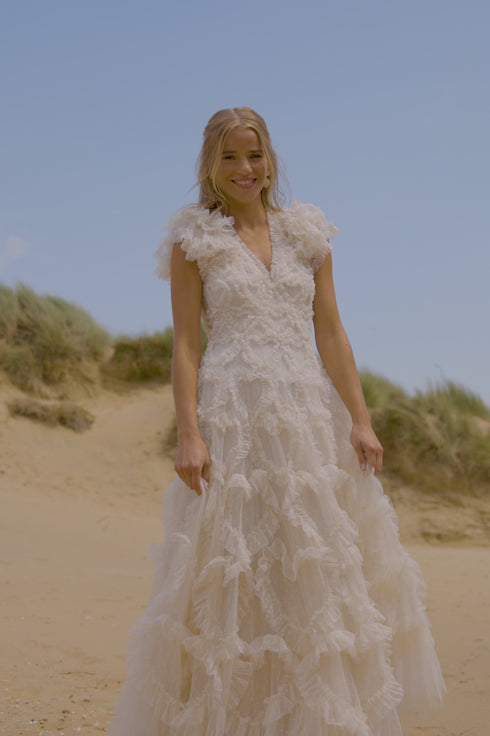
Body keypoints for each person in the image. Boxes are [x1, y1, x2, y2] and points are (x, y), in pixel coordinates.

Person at [108, 107, 445, 735]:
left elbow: (331, 331)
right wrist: (189, 434)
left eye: (255, 155)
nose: (245, 168)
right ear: (211, 164)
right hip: (233, 415)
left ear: (270, 160)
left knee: (312, 564)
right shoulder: (195, 242)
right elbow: (186, 346)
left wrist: (361, 419)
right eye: (230, 157)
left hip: (306, 415)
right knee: (232, 565)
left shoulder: (306, 235)